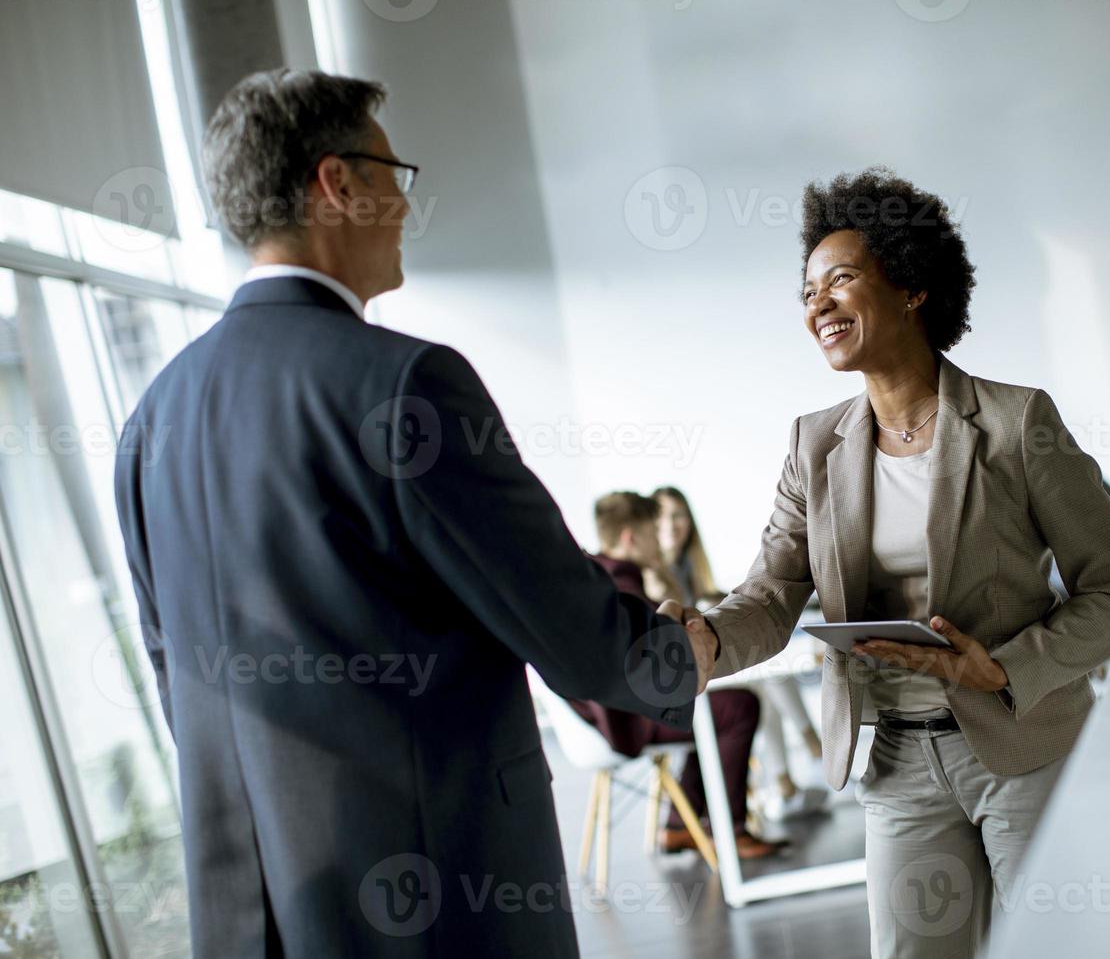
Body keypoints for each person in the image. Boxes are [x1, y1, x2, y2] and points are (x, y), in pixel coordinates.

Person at [112, 69, 716, 958]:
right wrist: (685, 655)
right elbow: (568, 627)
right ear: (337, 183)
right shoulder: (403, 384)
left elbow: (177, 677)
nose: (402, 201)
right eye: (393, 173)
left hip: (261, 912)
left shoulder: (147, 422)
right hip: (439, 899)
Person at [677, 168, 1110, 956]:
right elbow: (771, 592)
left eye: (841, 281)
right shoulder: (812, 445)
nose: (817, 306)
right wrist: (705, 641)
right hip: (896, 760)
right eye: (806, 291)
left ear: (911, 288)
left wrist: (1003, 668)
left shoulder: (1014, 422)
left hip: (1025, 743)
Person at [572, 493, 785, 859]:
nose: (662, 540)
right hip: (626, 717)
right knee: (738, 706)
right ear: (630, 538)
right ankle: (730, 831)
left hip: (603, 716)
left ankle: (678, 824)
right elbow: (652, 666)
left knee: (712, 710)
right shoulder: (620, 584)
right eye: (654, 531)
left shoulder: (598, 578)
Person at [653, 485, 827, 822]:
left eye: (679, 516)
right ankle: (810, 752)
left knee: (763, 675)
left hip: (704, 674)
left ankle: (785, 782)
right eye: (665, 517)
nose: (673, 525)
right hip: (686, 684)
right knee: (761, 681)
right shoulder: (655, 577)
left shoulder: (690, 569)